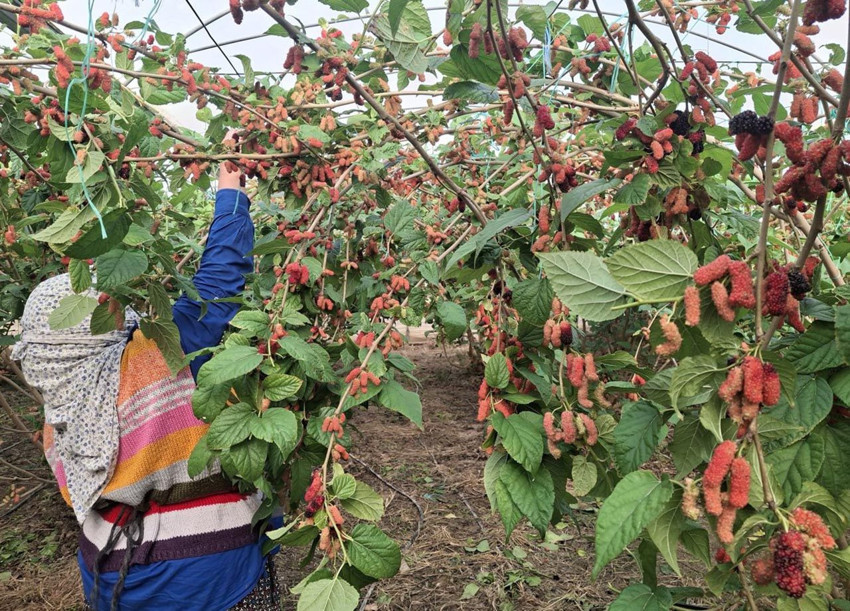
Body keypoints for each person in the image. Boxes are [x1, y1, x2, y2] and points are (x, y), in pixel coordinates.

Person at [11, 142, 280, 610]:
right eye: (111, 310)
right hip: (207, 574)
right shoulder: (153, 358)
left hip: (112, 580)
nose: (126, 313)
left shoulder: (57, 405)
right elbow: (218, 284)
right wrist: (231, 190)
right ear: (86, 331)